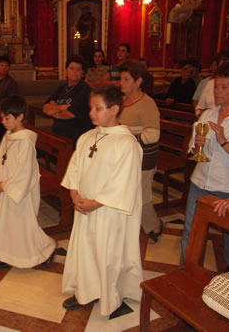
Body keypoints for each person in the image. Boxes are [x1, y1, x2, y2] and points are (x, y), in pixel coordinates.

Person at [60, 85, 143, 316]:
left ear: (115, 109)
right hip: (84, 207)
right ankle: (86, 290)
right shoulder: (87, 137)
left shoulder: (126, 144)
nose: (91, 113)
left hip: (109, 212)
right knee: (86, 250)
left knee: (108, 254)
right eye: (91, 108)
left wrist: (95, 203)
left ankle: (110, 295)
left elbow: (123, 181)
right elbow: (75, 167)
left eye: (98, 108)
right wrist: (74, 193)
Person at [0, 95, 56, 271]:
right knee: (3, 223)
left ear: (20, 116)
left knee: (24, 226)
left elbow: (25, 172)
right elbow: (1, 160)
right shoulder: (9, 135)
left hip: (21, 192)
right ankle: (2, 255)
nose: (3, 121)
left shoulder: (26, 142)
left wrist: (5, 185)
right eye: (2, 117)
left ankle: (47, 249)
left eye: (7, 118)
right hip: (7, 188)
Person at [180, 61, 229, 275]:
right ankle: (184, 271)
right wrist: (196, 145)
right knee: (191, 230)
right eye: (216, 86)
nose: (218, 92)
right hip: (201, 182)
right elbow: (195, 153)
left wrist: (224, 141)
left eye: (224, 87)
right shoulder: (208, 115)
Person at [118, 60, 163, 244]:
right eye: (121, 78)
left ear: (138, 82)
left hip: (144, 158)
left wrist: (126, 137)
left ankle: (154, 226)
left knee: (143, 197)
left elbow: (154, 133)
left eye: (126, 79)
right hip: (124, 157)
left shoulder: (147, 103)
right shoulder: (122, 101)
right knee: (126, 194)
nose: (121, 82)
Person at [42, 55, 93, 143]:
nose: (75, 72)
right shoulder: (61, 88)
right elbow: (45, 108)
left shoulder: (85, 90)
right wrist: (63, 107)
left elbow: (69, 114)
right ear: (66, 71)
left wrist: (54, 111)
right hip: (59, 136)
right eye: (72, 68)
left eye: (78, 69)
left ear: (83, 73)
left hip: (76, 138)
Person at [196, 47, 229, 117]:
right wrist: (203, 114)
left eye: (225, 60)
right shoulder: (211, 83)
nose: (222, 63)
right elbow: (199, 107)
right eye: (221, 60)